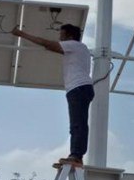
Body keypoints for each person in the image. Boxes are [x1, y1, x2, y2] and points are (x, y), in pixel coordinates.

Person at [12, 23, 94, 166]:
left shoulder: (75, 45)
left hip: (79, 88)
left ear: (69, 36)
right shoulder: (77, 48)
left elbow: (47, 43)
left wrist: (21, 34)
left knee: (78, 124)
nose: (59, 39)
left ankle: (76, 155)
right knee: (77, 123)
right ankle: (76, 155)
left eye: (61, 35)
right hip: (79, 88)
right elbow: (48, 46)